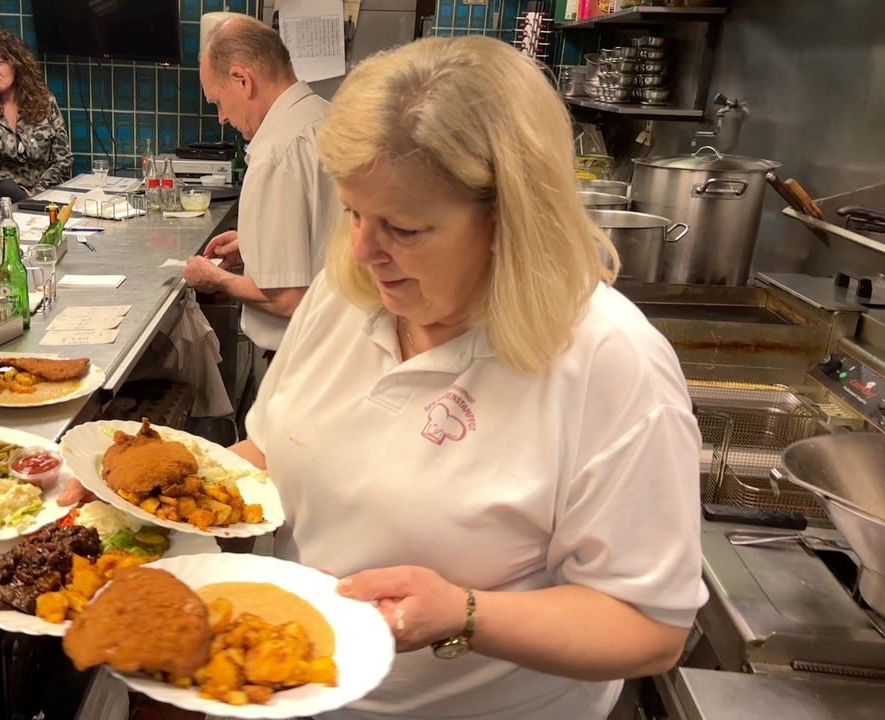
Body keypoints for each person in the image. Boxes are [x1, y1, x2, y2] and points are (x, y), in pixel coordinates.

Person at [232, 37, 706, 719]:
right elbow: (269, 452)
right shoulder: (350, 292)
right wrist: (134, 497)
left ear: (509, 219)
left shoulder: (609, 360)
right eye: (354, 214)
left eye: (404, 227)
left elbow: (650, 629)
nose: (364, 251)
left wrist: (465, 613)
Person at [181, 16, 341, 354]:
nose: (221, 118)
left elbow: (288, 299)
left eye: (218, 102)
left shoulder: (275, 154)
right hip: (338, 344)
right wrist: (255, 245)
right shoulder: (325, 116)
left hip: (300, 356)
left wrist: (214, 278)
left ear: (242, 79)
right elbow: (323, 232)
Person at [0, 28, 72, 218]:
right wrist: (15, 189)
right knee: (6, 188)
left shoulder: (44, 101)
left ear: (16, 63)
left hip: (42, 198)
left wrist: (34, 193)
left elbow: (63, 159)